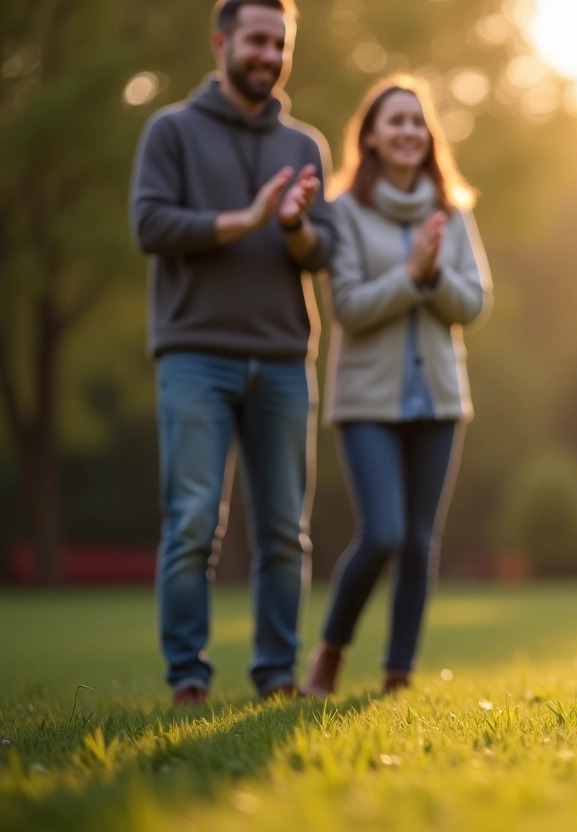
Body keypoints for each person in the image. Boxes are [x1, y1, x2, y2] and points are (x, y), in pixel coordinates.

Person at [130, 0, 335, 706]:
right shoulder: (172, 131)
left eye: (279, 42)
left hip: (282, 357)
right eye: (256, 39)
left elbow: (323, 251)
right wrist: (242, 221)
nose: (268, 53)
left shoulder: (305, 145)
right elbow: (150, 223)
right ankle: (187, 676)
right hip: (195, 355)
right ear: (222, 42)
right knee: (192, 522)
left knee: (284, 532)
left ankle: (277, 676)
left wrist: (292, 225)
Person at [302, 75, 492, 696]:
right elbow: (350, 308)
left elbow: (474, 303)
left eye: (417, 120)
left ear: (427, 136)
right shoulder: (344, 211)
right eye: (395, 121)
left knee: (418, 542)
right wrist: (414, 274)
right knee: (382, 532)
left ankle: (398, 674)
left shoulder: (453, 211)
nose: (408, 131)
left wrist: (432, 277)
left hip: (438, 398)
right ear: (373, 137)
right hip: (367, 401)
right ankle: (330, 653)